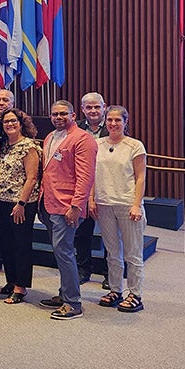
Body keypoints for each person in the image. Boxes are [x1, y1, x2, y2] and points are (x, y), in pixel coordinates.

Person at [38, 100, 97, 320]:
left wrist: (76, 206)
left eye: (63, 114)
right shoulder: (50, 137)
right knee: (59, 251)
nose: (58, 117)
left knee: (63, 251)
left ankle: (73, 303)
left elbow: (85, 177)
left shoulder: (83, 139)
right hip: (48, 202)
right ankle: (64, 294)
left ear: (73, 115)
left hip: (66, 206)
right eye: (55, 114)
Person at [92, 106, 147, 313]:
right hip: (104, 204)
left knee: (133, 254)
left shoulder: (134, 146)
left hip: (127, 204)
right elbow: (92, 175)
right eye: (110, 120)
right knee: (112, 252)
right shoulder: (97, 144)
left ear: (126, 122)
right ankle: (116, 290)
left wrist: (136, 204)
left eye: (117, 120)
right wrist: (91, 199)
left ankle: (135, 294)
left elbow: (141, 177)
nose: (113, 124)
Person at [0, 108, 40, 305]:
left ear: (21, 124)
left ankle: (21, 287)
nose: (10, 125)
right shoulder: (4, 145)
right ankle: (11, 281)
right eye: (6, 122)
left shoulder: (28, 146)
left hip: (21, 204)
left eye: (13, 121)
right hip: (2, 201)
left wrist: (21, 203)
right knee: (6, 244)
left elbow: (31, 178)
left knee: (21, 245)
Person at [76, 91, 109, 286]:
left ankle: (108, 273)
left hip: (106, 187)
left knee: (109, 234)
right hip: (83, 187)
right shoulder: (77, 128)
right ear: (82, 110)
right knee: (82, 233)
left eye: (97, 106)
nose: (93, 110)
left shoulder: (113, 126)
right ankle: (83, 269)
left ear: (104, 107)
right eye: (89, 107)